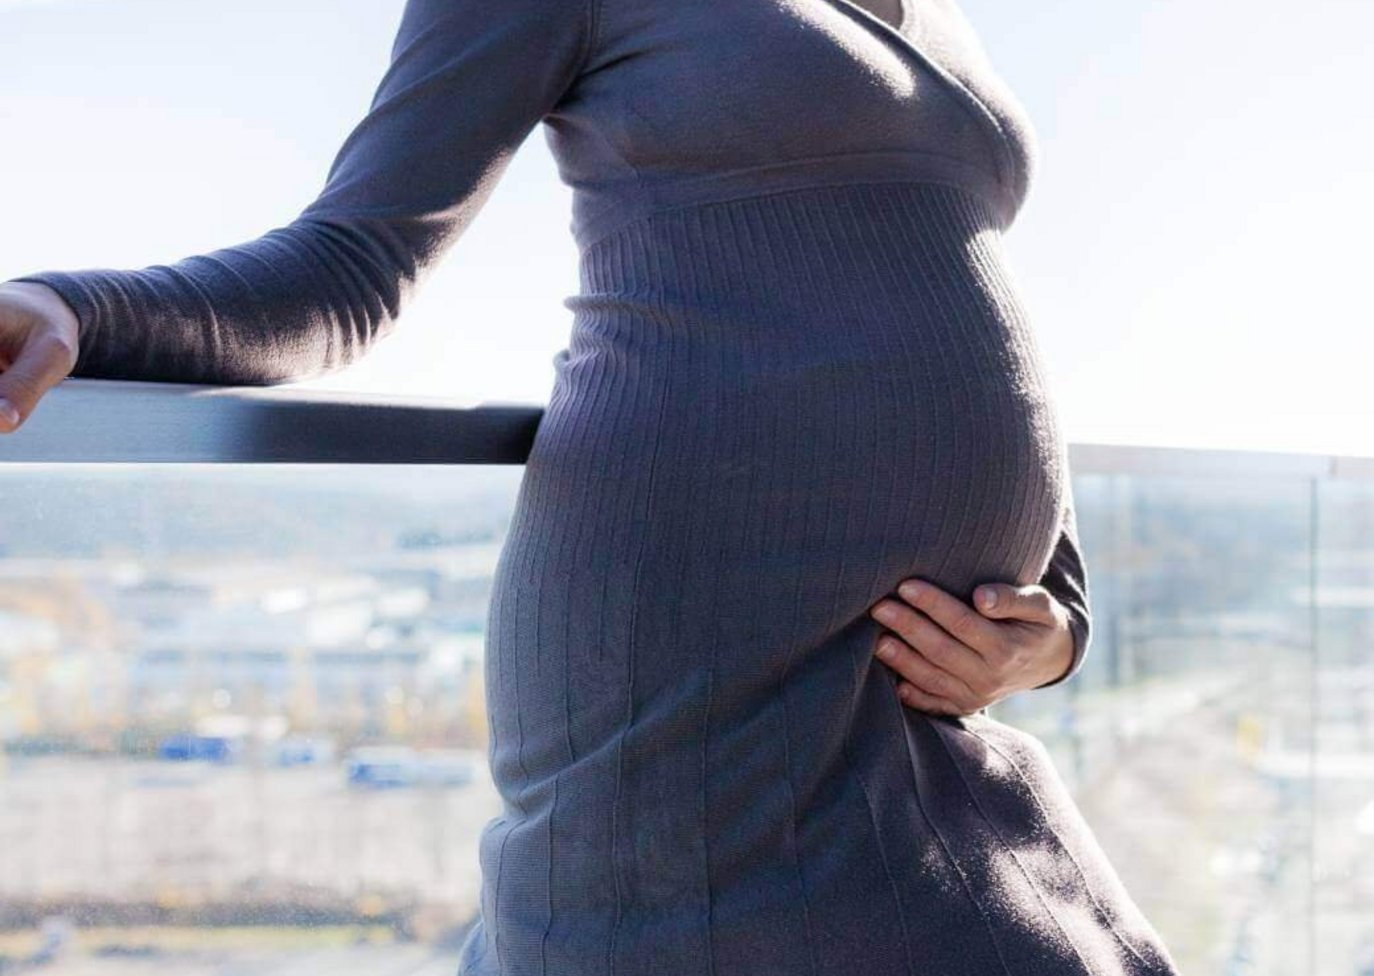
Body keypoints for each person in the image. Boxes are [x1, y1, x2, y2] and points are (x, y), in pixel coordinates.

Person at [0, 0, 1183, 972]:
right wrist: (79, 310)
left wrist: (1055, 626)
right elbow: (350, 264)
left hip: (914, 689)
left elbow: (961, 305)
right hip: (696, 623)